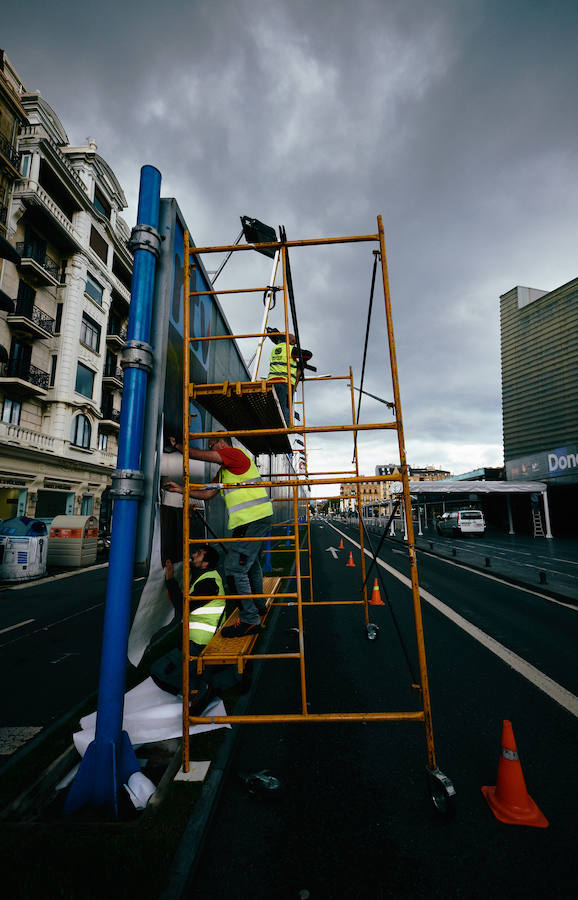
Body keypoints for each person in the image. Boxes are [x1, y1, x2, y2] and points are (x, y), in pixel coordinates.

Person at [165, 433, 274, 637]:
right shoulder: (226, 471)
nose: (212, 449)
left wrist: (179, 446)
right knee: (251, 566)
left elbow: (202, 456)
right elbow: (207, 493)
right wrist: (181, 490)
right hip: (253, 520)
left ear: (222, 443)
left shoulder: (234, 454)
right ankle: (259, 605)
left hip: (252, 520)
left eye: (212, 444)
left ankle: (250, 619)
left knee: (233, 569)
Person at [151, 542, 226, 712]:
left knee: (157, 671)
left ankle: (201, 693)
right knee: (181, 670)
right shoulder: (206, 577)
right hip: (202, 641)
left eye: (198, 554)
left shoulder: (208, 583)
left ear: (205, 563)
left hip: (201, 645)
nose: (193, 555)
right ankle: (202, 685)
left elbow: (183, 607)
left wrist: (170, 580)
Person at [266, 330, 299, 425]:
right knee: (284, 407)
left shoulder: (275, 348)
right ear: (292, 342)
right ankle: (285, 426)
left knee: (273, 406)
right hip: (285, 382)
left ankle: (270, 424)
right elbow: (308, 354)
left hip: (271, 381)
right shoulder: (291, 349)